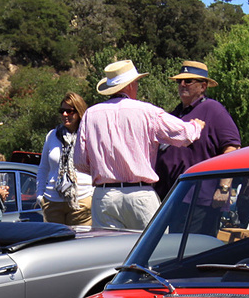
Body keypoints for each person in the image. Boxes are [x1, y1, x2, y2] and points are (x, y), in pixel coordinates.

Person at [75, 60, 202, 230]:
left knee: (110, 253)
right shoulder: (146, 112)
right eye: (135, 82)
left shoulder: (91, 114)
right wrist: (196, 126)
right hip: (140, 194)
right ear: (129, 86)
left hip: (104, 196)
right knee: (153, 251)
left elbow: (80, 162)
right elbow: (184, 135)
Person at [155, 61, 240, 199]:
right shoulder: (175, 114)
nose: (182, 84)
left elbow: (232, 148)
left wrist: (224, 187)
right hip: (169, 196)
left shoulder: (213, 109)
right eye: (179, 81)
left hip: (201, 198)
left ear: (203, 86)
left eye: (188, 81)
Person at [36, 93, 93, 227]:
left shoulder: (88, 134)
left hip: (81, 200)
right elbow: (43, 168)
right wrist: (40, 195)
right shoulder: (52, 135)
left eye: (70, 111)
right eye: (62, 111)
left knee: (80, 245)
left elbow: (97, 166)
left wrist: (93, 194)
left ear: (79, 112)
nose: (65, 114)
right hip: (52, 201)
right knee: (55, 246)